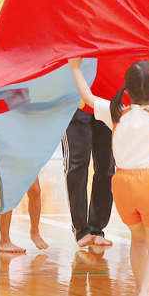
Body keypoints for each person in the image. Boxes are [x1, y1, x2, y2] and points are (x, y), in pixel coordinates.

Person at [69, 47, 149, 296]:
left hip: (121, 183)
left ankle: (141, 291)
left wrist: (76, 67)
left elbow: (87, 97)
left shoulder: (116, 113)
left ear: (127, 88)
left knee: (138, 239)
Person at [63, 106, 115, 248]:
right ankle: (81, 230)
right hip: (76, 105)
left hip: (105, 103)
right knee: (77, 165)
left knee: (107, 167)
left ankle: (97, 229)